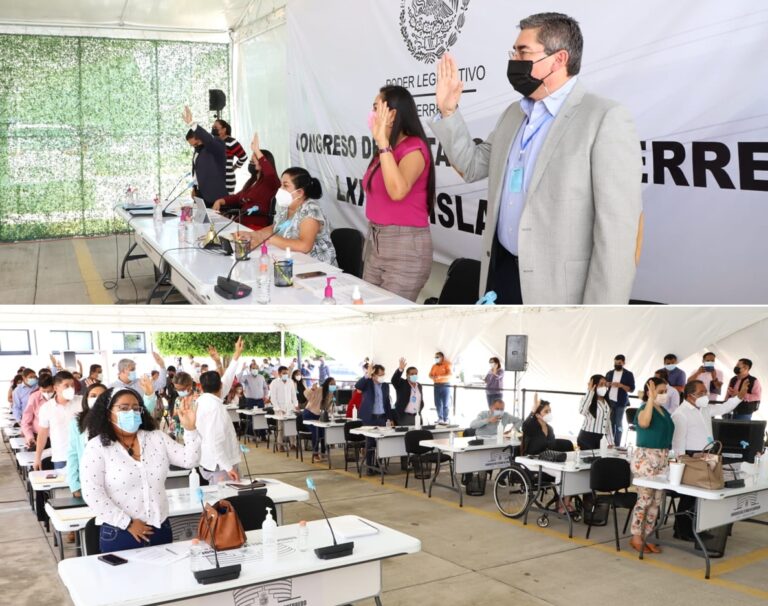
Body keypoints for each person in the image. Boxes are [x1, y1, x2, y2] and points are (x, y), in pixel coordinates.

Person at [430, 13, 642, 305]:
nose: (514, 60)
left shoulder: (604, 118)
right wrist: (448, 111)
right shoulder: (513, 114)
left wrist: (598, 316)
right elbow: (472, 166)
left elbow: (618, 235)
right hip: (500, 275)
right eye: (514, 52)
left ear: (559, 59)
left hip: (558, 292)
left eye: (523, 52)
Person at [81, 388, 200, 553]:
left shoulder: (156, 438)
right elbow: (92, 494)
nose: (131, 413)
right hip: (120, 532)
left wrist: (190, 429)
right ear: (108, 413)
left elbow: (190, 460)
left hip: (160, 528)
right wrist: (127, 523)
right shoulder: (97, 447)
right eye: (123, 408)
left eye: (136, 408)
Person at [362, 85, 436, 301]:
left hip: (405, 248)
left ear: (392, 114)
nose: (372, 114)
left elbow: (397, 191)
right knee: (366, 308)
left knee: (388, 314)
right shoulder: (386, 149)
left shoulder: (414, 147)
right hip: (376, 242)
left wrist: (383, 143)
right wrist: (384, 145)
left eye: (376, 108)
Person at [671, 379, 748, 541]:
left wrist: (739, 397)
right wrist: (683, 460)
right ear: (690, 395)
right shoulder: (681, 413)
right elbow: (678, 441)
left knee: (701, 496)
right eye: (701, 393)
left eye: (705, 392)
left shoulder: (704, 408)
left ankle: (695, 528)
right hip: (691, 456)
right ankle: (682, 531)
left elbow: (723, 407)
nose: (705, 395)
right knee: (689, 495)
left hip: (707, 453)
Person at [235, 167, 337, 265]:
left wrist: (268, 238)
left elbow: (304, 246)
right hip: (292, 259)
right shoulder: (287, 206)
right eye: (281, 185)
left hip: (317, 267)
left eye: (285, 186)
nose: (280, 189)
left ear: (300, 192)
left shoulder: (311, 211)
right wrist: (254, 235)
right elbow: (276, 228)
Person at [629, 378, 675, 554]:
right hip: (646, 458)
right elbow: (644, 423)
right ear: (650, 391)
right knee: (645, 499)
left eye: (665, 391)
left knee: (656, 501)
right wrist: (650, 399)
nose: (663, 394)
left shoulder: (664, 411)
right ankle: (636, 536)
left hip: (662, 458)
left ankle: (647, 535)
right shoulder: (644, 408)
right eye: (660, 391)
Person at [196, 336, 244, 485]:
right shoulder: (215, 407)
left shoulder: (203, 400)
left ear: (201, 387)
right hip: (220, 465)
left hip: (211, 462)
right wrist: (228, 467)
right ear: (220, 386)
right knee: (224, 498)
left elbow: (228, 377)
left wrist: (236, 355)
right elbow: (215, 442)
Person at [212, 133, 280, 229]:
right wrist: (221, 201)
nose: (251, 162)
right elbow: (238, 197)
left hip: (254, 226)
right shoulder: (252, 181)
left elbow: (270, 173)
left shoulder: (271, 182)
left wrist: (256, 150)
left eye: (254, 160)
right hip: (240, 223)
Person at [66, 382, 108, 498]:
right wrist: (74, 485)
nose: (97, 399)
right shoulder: (77, 422)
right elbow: (73, 454)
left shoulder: (115, 419)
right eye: (93, 396)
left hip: (112, 478)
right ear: (86, 399)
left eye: (101, 396)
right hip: (87, 479)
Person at [182, 105, 228, 207]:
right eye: (193, 146)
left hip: (215, 197)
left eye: (196, 144)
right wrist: (194, 188)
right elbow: (197, 170)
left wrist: (192, 123)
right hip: (200, 194)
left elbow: (209, 140)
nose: (195, 147)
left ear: (202, 138)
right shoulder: (198, 149)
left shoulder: (217, 145)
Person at [33, 371, 80, 471]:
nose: (71, 388)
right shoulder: (46, 408)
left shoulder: (81, 402)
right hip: (61, 457)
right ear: (55, 388)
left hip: (81, 454)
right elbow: (42, 434)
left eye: (72, 385)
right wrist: (37, 457)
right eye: (66, 386)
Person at [356, 364, 395, 473]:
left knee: (381, 442)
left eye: (383, 374)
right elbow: (358, 386)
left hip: (382, 417)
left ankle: (379, 466)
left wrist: (390, 418)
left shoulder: (385, 386)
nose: (382, 377)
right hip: (370, 418)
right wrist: (367, 374)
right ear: (373, 375)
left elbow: (387, 403)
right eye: (380, 375)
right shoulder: (367, 383)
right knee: (370, 443)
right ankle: (369, 467)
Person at [303, 377, 338, 460]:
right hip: (309, 414)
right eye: (331, 384)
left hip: (319, 416)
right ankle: (315, 454)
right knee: (316, 433)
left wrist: (332, 412)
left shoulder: (331, 394)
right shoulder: (320, 390)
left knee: (323, 433)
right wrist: (312, 389)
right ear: (327, 384)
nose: (333, 385)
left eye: (334, 384)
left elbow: (327, 407)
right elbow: (306, 394)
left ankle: (323, 452)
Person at [577, 374, 614, 450]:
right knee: (590, 458)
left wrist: (611, 442)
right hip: (586, 437)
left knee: (599, 457)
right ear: (594, 385)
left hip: (600, 438)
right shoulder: (587, 399)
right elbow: (582, 411)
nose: (604, 387)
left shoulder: (606, 402)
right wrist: (590, 392)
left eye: (605, 384)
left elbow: (608, 423)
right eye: (601, 384)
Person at [605, 355, 635, 446]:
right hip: (610, 401)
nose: (617, 364)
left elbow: (631, 389)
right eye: (615, 363)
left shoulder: (628, 374)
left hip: (621, 402)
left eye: (619, 363)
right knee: (610, 423)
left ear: (623, 363)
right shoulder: (609, 373)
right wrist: (608, 384)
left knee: (619, 424)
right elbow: (604, 384)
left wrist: (621, 385)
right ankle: (610, 443)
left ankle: (617, 444)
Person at [212, 118, 248, 195]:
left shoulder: (231, 142)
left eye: (216, 128)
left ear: (224, 129)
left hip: (227, 181)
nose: (213, 129)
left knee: (226, 201)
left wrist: (234, 167)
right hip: (215, 180)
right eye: (213, 127)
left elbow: (243, 157)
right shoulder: (214, 142)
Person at [21, 373, 55, 448]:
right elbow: (26, 421)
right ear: (39, 388)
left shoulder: (60, 397)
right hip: (38, 436)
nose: (47, 394)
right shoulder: (34, 397)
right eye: (44, 391)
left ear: (54, 387)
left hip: (57, 437)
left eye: (49, 391)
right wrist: (30, 437)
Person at [269, 366, 299, 450]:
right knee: (281, 428)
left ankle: (293, 444)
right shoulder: (274, 383)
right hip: (279, 408)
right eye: (284, 373)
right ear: (279, 374)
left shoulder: (290, 381)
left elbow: (293, 395)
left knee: (292, 426)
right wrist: (278, 409)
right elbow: (273, 398)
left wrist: (296, 405)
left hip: (289, 407)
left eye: (287, 373)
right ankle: (280, 445)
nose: (286, 375)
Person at [392, 358, 423, 426]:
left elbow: (420, 401)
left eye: (416, 373)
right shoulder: (402, 383)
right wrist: (400, 369)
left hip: (417, 416)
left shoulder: (419, 386)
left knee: (418, 432)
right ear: (407, 375)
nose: (414, 375)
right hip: (404, 417)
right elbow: (394, 380)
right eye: (412, 374)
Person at [428, 352, 452, 424]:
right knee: (437, 403)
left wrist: (440, 376)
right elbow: (429, 375)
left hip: (445, 385)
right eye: (435, 357)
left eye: (437, 357)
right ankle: (440, 418)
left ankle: (446, 419)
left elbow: (450, 374)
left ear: (442, 358)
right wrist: (432, 377)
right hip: (436, 385)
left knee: (446, 403)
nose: (436, 358)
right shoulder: (434, 366)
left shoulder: (447, 364)